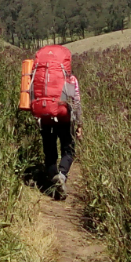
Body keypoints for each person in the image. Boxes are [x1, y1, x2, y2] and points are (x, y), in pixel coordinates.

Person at [39, 65, 82, 199]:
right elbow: (76, 102)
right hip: (65, 119)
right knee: (68, 150)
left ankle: (53, 179)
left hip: (46, 118)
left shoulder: (43, 79)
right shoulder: (70, 79)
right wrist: (79, 125)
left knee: (50, 151)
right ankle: (62, 175)